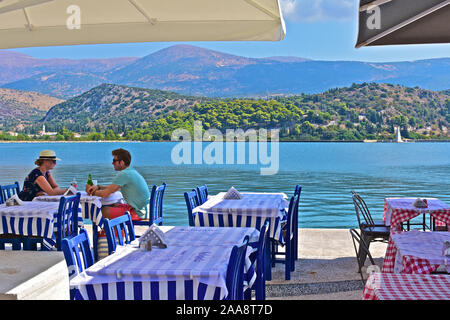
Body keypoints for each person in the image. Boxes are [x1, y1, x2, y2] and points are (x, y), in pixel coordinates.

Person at [86, 148, 150, 221]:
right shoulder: (130, 171)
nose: (112, 163)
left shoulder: (124, 174)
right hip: (144, 210)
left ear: (122, 162)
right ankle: (115, 231)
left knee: (101, 212)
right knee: (114, 205)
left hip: (138, 213)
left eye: (114, 161)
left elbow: (105, 194)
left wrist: (91, 192)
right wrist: (98, 187)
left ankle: (108, 232)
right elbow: (113, 188)